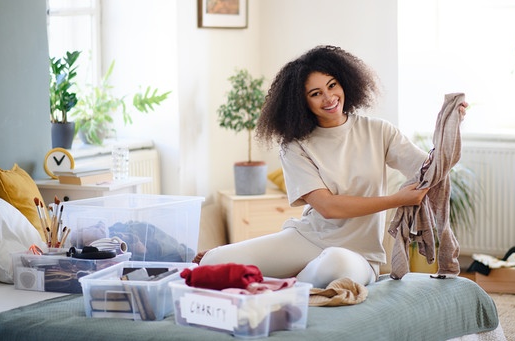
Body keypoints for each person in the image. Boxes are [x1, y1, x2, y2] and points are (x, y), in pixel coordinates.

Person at [198, 45, 468, 288]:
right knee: (214, 260)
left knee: (335, 265)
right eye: (316, 94)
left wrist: (451, 127)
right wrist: (396, 199)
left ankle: (284, 284)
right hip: (308, 239)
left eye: (332, 85)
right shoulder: (295, 145)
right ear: (302, 103)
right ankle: (291, 276)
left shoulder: (378, 131)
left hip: (358, 255)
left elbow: (431, 171)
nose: (329, 98)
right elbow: (328, 207)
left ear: (345, 83)